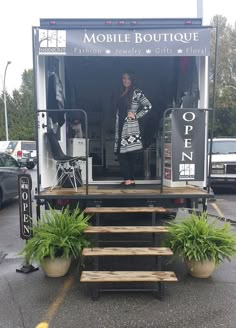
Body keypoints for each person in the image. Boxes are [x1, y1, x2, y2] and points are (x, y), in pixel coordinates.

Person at [114, 71, 152, 187]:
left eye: (128, 79)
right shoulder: (121, 92)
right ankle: (130, 179)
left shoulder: (136, 92)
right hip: (120, 125)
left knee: (127, 154)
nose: (126, 81)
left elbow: (148, 106)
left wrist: (136, 115)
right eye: (124, 78)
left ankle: (128, 179)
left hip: (130, 127)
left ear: (132, 80)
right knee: (125, 153)